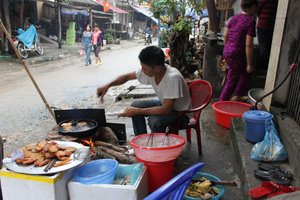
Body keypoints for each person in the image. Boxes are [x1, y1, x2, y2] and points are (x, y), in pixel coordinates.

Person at [96, 46, 191, 136]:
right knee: (135, 106)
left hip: (181, 114)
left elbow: (166, 110)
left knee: (153, 121)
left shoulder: (173, 78)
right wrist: (107, 86)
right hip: (165, 104)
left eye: (145, 68)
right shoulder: (150, 71)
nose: (142, 71)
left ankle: (158, 147)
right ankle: (141, 140)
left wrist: (138, 111)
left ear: (157, 68)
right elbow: (127, 77)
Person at [219, 0, 258, 102]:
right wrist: (249, 64)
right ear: (252, 7)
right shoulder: (250, 22)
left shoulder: (234, 18)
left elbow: (225, 35)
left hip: (228, 50)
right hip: (236, 54)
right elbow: (249, 44)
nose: (256, 9)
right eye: (255, 7)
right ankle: (221, 103)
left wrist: (227, 48)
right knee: (231, 81)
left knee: (246, 73)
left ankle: (236, 97)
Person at [257, 0, 278, 74]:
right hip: (272, 24)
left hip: (262, 24)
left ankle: (262, 67)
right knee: (268, 46)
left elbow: (257, 10)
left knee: (263, 46)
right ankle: (266, 66)